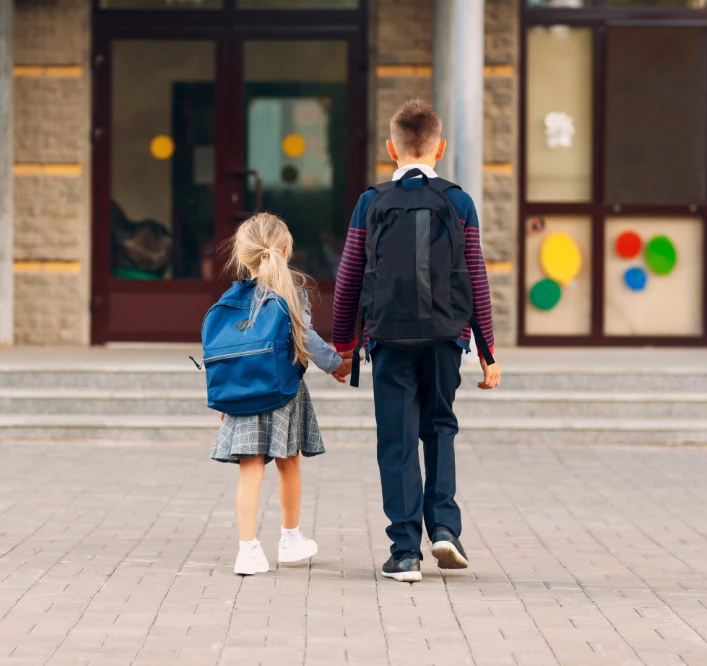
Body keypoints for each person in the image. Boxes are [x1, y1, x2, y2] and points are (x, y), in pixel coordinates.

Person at [332, 99, 502, 583]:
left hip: (387, 338)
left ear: (391, 149)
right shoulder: (458, 201)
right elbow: (476, 275)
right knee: (439, 427)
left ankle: (405, 551)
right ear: (440, 148)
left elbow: (348, 278)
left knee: (398, 439)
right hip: (447, 336)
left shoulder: (372, 202)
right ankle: (445, 528)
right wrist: (487, 350)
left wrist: (344, 344)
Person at [211, 213, 353, 576]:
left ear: (242, 256)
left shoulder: (230, 300)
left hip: (241, 395)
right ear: (286, 251)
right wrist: (338, 365)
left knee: (250, 470)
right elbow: (308, 340)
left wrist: (223, 399)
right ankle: (290, 540)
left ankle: (248, 550)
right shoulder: (292, 294)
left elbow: (220, 351)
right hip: (282, 394)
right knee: (289, 465)